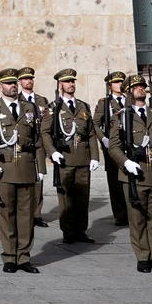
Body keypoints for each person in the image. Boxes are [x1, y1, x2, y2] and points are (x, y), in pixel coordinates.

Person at [0, 67, 42, 273]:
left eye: (14, 83)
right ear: (0, 87)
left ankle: (23, 256)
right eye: (8, 83)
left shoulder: (30, 108)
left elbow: (38, 139)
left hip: (27, 165)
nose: (13, 86)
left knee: (26, 215)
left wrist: (40, 167)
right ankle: (9, 257)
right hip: (3, 166)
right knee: (6, 214)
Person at [109, 75, 152, 273]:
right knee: (137, 219)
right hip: (134, 175)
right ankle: (142, 256)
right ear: (128, 92)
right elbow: (113, 146)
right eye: (136, 87)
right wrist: (126, 162)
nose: (140, 89)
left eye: (142, 86)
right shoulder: (120, 117)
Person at [44, 68, 99, 244]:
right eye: (67, 82)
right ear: (60, 85)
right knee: (66, 197)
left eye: (73, 81)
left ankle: (81, 230)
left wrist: (95, 156)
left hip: (82, 157)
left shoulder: (83, 106)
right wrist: (52, 153)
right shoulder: (54, 107)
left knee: (82, 196)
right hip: (65, 157)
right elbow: (44, 132)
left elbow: (90, 132)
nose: (71, 84)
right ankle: (68, 231)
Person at [94, 70, 129, 226]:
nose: (120, 85)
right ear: (110, 86)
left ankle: (131, 211)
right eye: (116, 82)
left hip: (129, 145)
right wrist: (104, 139)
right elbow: (95, 123)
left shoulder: (130, 100)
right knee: (115, 182)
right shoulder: (105, 102)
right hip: (112, 145)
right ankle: (120, 214)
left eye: (121, 82)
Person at [16, 66, 49, 228]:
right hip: (25, 144)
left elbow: (49, 122)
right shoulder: (17, 100)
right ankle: (25, 213)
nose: (29, 81)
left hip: (40, 144)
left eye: (31, 78)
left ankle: (37, 214)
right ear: (20, 82)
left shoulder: (42, 100)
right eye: (25, 79)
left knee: (39, 180)